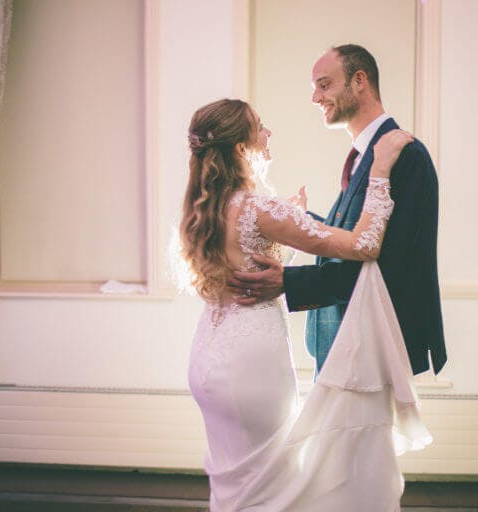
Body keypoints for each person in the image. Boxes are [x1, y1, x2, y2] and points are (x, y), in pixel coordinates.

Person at [183, 98, 428, 511]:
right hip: (251, 363)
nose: (269, 133)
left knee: (236, 477)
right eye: (260, 126)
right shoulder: (259, 208)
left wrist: (284, 231)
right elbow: (365, 244)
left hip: (209, 356)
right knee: (272, 478)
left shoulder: (203, 205)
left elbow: (252, 263)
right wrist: (381, 171)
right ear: (241, 148)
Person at [229, 44, 447, 377]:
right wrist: (306, 222)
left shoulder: (405, 155)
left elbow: (388, 263)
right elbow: (353, 236)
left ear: (359, 81)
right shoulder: (365, 155)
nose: (315, 97)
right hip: (343, 342)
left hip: (372, 346)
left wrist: (288, 280)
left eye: (324, 84)